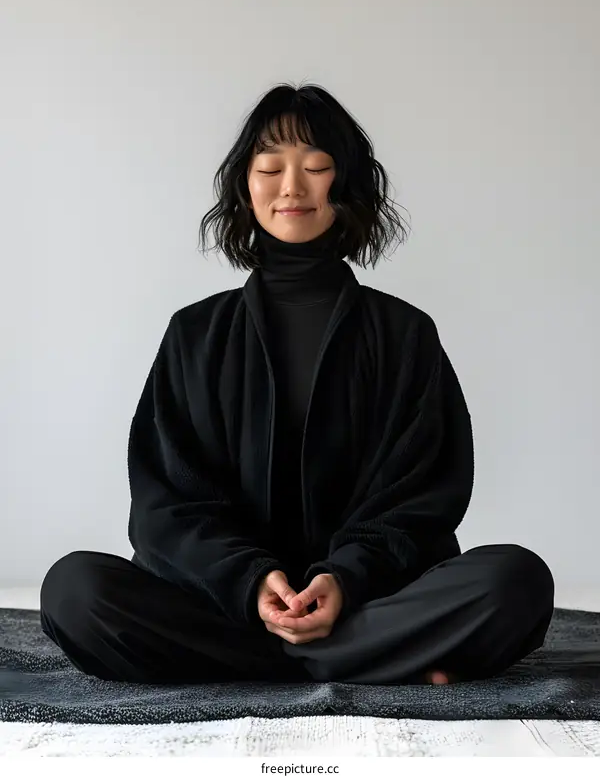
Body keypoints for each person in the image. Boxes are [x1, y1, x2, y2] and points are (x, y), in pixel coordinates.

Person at [40, 83, 554, 686]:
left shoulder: (405, 332)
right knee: (74, 590)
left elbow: (421, 498)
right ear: (245, 185)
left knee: (516, 580)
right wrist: (251, 581)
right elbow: (167, 504)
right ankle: (365, 658)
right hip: (226, 607)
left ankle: (278, 663)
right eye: (270, 168)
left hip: (368, 600)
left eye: (315, 167)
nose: (291, 187)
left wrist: (344, 578)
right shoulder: (194, 333)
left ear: (347, 184)